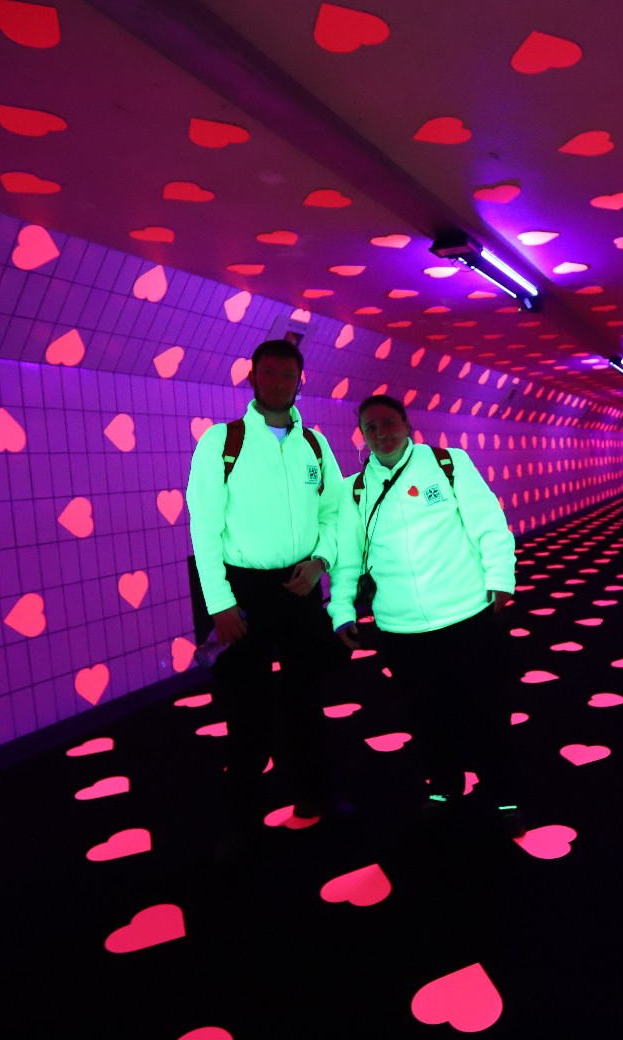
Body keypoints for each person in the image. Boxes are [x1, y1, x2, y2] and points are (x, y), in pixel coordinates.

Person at [328, 394, 522, 835]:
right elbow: (347, 559)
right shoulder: (354, 489)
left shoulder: (448, 464)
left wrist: (500, 578)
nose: (381, 434)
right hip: (401, 628)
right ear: (362, 435)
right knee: (427, 714)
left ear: (407, 425)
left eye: (388, 423)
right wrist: (341, 609)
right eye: (371, 427)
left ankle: (503, 796)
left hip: (466, 614)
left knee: (487, 709)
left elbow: (489, 525)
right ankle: (445, 789)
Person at [186, 338, 345, 825]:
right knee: (245, 707)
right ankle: (242, 821)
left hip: (301, 586)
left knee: (306, 698)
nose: (278, 382)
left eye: (288, 374)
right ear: (252, 377)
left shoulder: (315, 444)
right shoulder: (222, 442)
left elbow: (335, 513)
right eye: (269, 372)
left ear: (300, 382)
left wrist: (321, 562)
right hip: (243, 592)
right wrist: (219, 604)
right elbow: (203, 528)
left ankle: (314, 797)